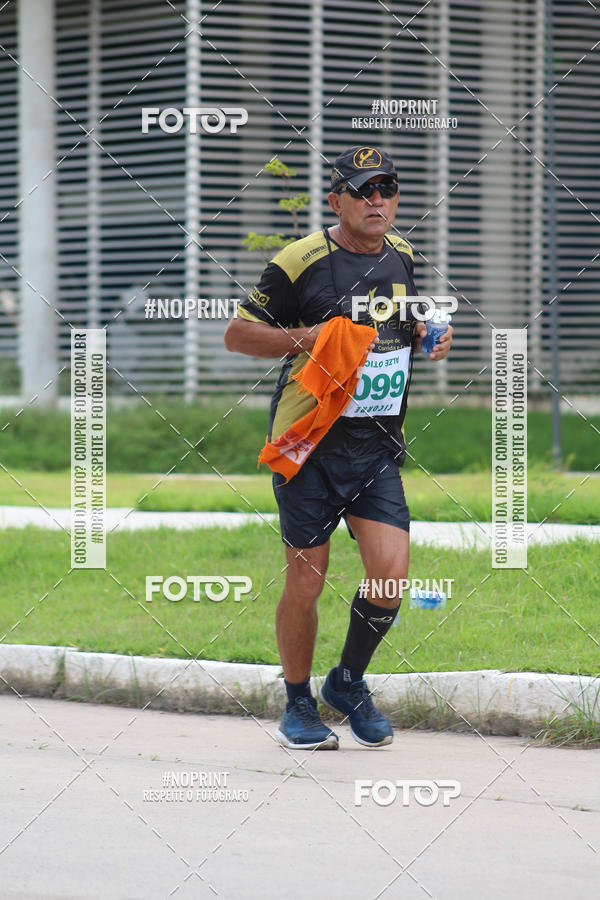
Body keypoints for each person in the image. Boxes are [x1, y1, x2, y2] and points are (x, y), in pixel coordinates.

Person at [224, 145, 454, 750]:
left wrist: (431, 331)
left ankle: (347, 682)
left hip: (374, 444)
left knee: (390, 577)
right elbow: (238, 333)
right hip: (309, 444)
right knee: (307, 579)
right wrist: (307, 338)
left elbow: (400, 323)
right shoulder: (301, 259)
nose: (378, 199)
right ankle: (298, 704)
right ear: (337, 201)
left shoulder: (402, 255)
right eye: (364, 190)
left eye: (388, 188)